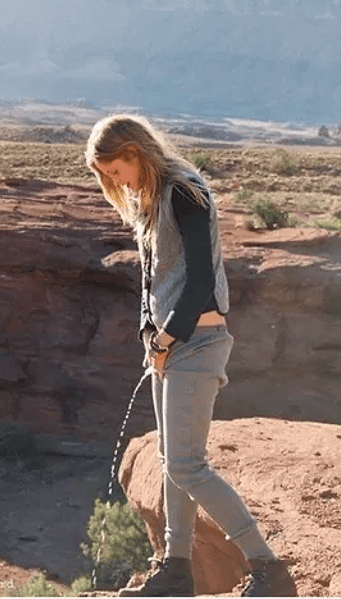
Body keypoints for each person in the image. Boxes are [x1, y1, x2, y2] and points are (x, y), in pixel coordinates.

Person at [85, 115, 296, 597]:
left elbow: (200, 277)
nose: (116, 182)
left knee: (186, 466)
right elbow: (151, 277)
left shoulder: (184, 191)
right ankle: (176, 571)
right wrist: (148, 331)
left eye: (117, 170)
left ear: (135, 153)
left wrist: (169, 336)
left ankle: (267, 566)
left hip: (198, 343)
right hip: (171, 345)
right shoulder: (151, 199)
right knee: (169, 461)